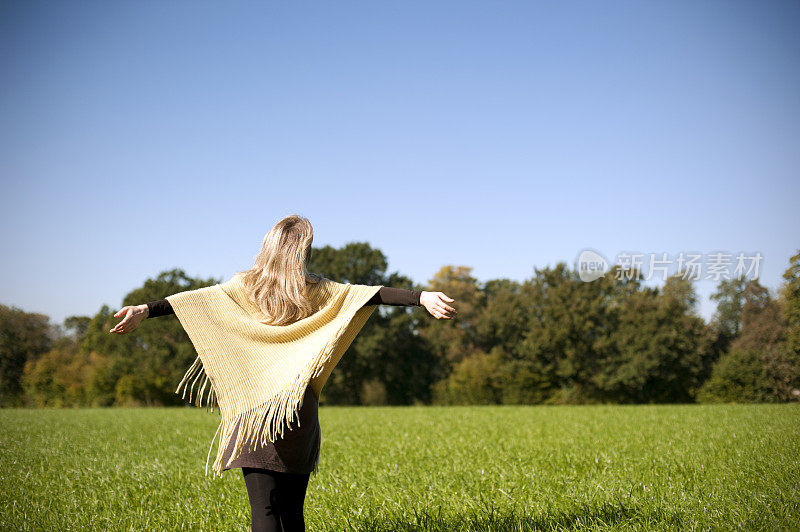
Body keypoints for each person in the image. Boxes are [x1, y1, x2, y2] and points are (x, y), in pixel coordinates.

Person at [108, 214, 457, 532]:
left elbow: (193, 301)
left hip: (255, 413)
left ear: (267, 246)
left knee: (266, 513)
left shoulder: (242, 286)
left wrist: (145, 309)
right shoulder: (320, 291)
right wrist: (421, 297)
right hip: (297, 411)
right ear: (303, 251)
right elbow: (370, 295)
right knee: (292, 515)